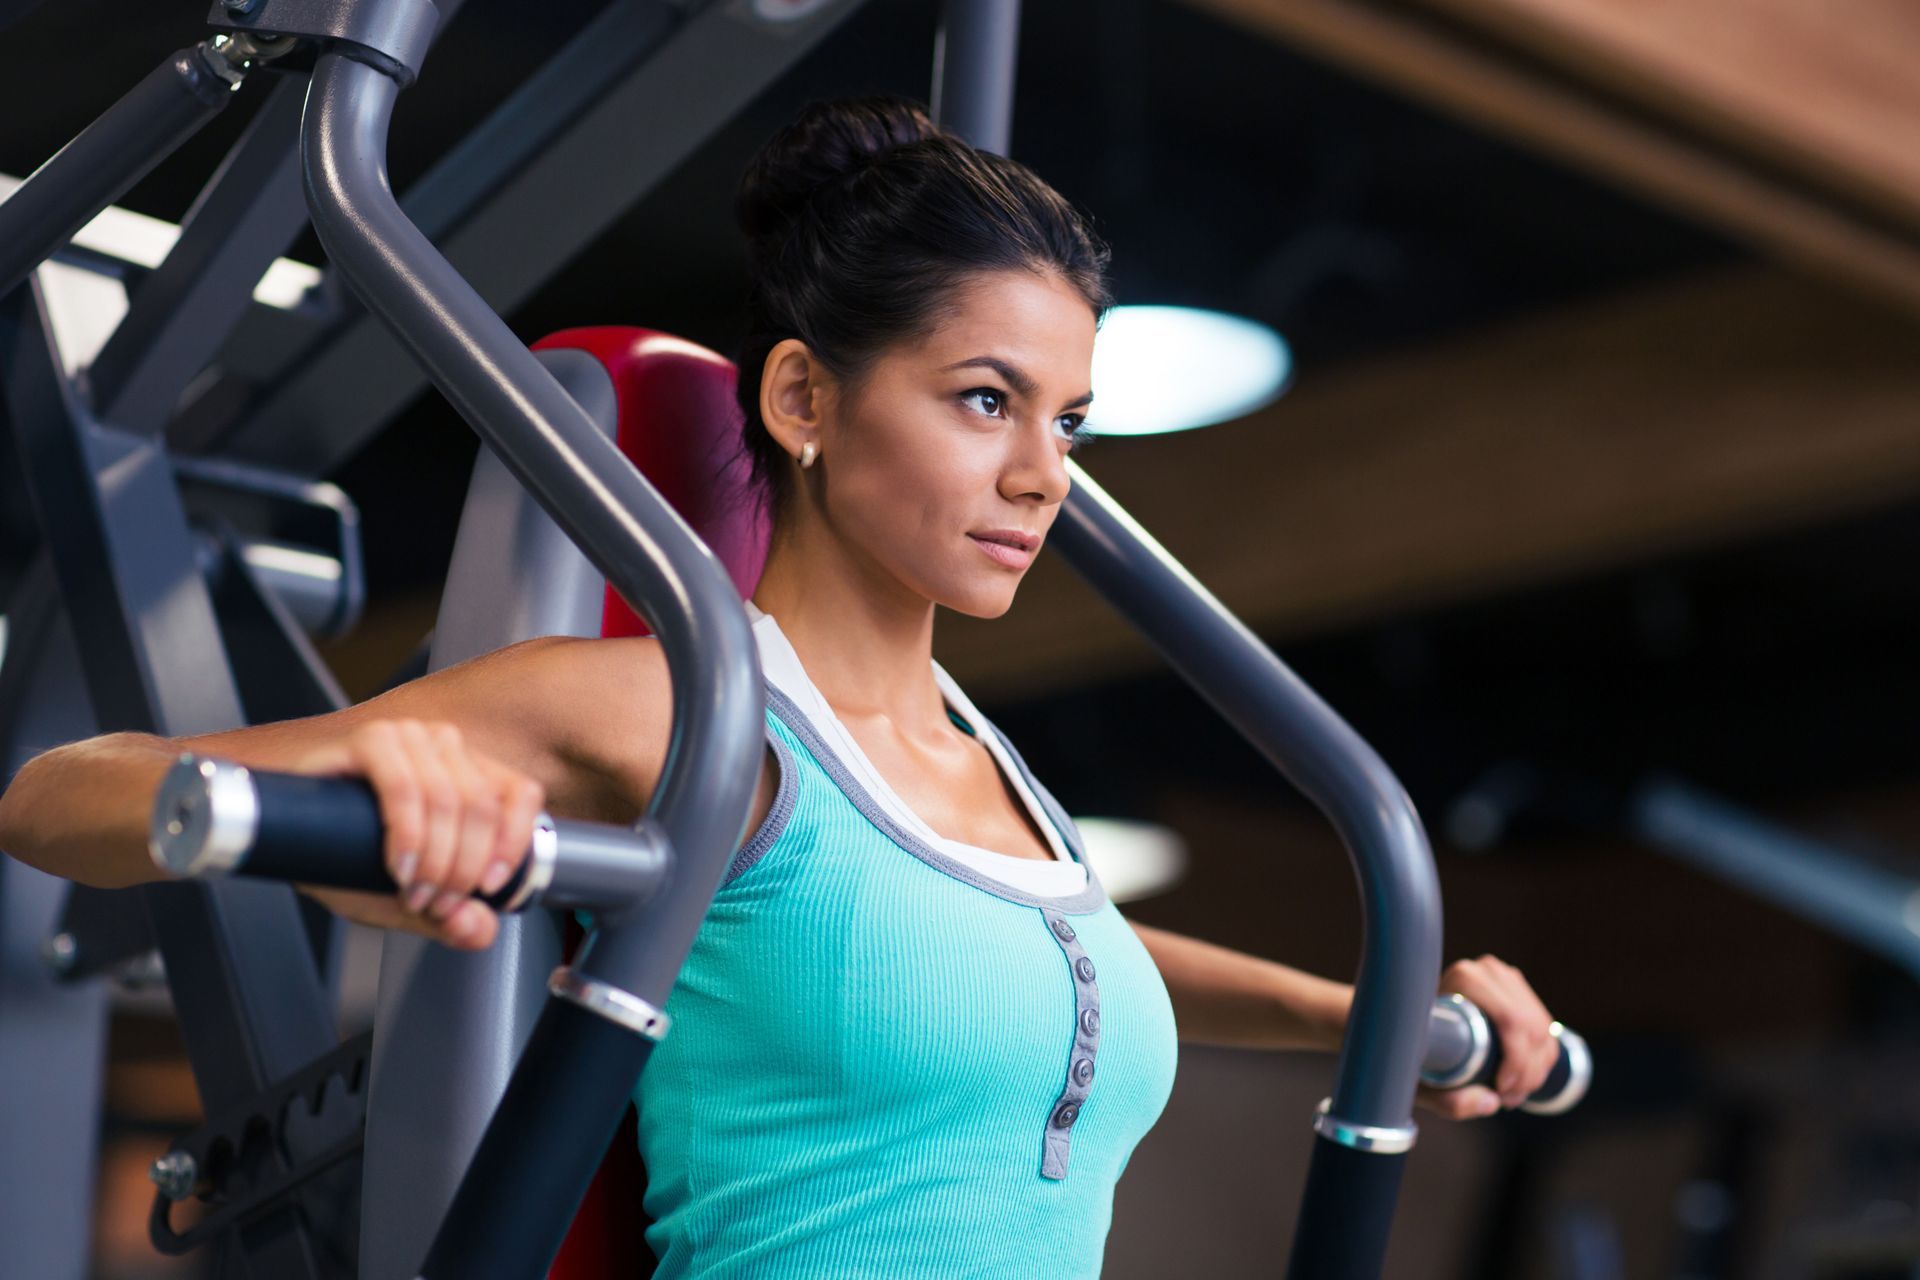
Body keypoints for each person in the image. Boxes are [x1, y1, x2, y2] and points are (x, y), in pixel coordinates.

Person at [0, 94, 1560, 1276]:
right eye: (983, 401)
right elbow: (57, 800)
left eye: (1070, 421)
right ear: (806, 397)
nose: (1042, 478)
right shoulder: (681, 715)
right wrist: (399, 784)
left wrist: (1372, 1022)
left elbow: (1042, 951)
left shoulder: (981, 767)